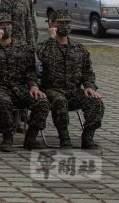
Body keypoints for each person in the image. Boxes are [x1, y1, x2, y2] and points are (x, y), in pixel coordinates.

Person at [0, 12, 48, 151]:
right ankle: (7, 137)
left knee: (42, 102)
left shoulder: (23, 47)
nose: (5, 27)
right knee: (3, 101)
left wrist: (34, 86)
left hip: (20, 87)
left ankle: (30, 137)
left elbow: (30, 71)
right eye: (1, 25)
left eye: (8, 24)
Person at [37, 10, 103, 149]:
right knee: (60, 101)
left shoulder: (79, 49)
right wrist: (51, 38)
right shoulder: (45, 46)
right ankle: (64, 138)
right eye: (60, 22)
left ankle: (87, 137)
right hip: (51, 91)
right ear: (52, 24)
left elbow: (88, 73)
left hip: (73, 92)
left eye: (67, 22)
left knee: (95, 102)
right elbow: (43, 56)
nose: (64, 25)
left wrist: (89, 87)